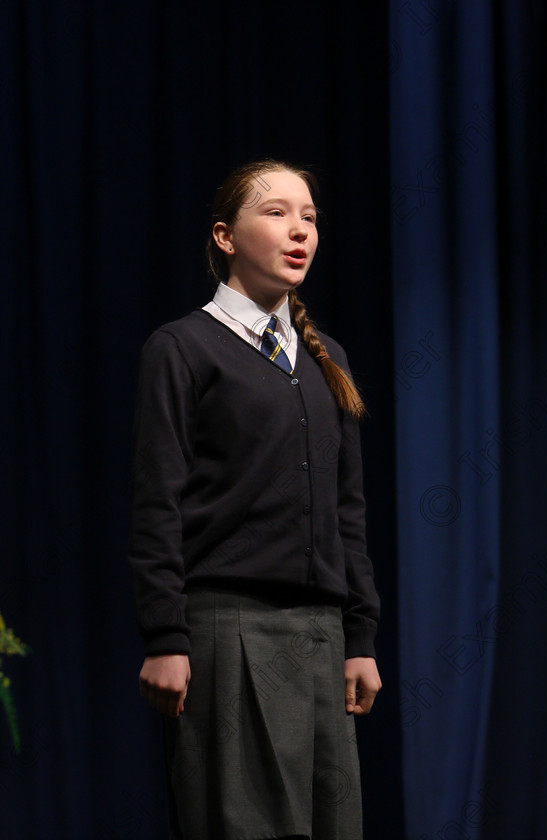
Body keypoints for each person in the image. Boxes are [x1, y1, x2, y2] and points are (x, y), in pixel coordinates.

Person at [127, 159, 382, 840]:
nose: (300, 230)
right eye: (276, 213)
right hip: (228, 628)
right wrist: (165, 636)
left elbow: (346, 513)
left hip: (320, 637)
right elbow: (158, 503)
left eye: (309, 217)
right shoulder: (183, 348)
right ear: (225, 236)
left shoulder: (329, 359)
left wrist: (360, 636)